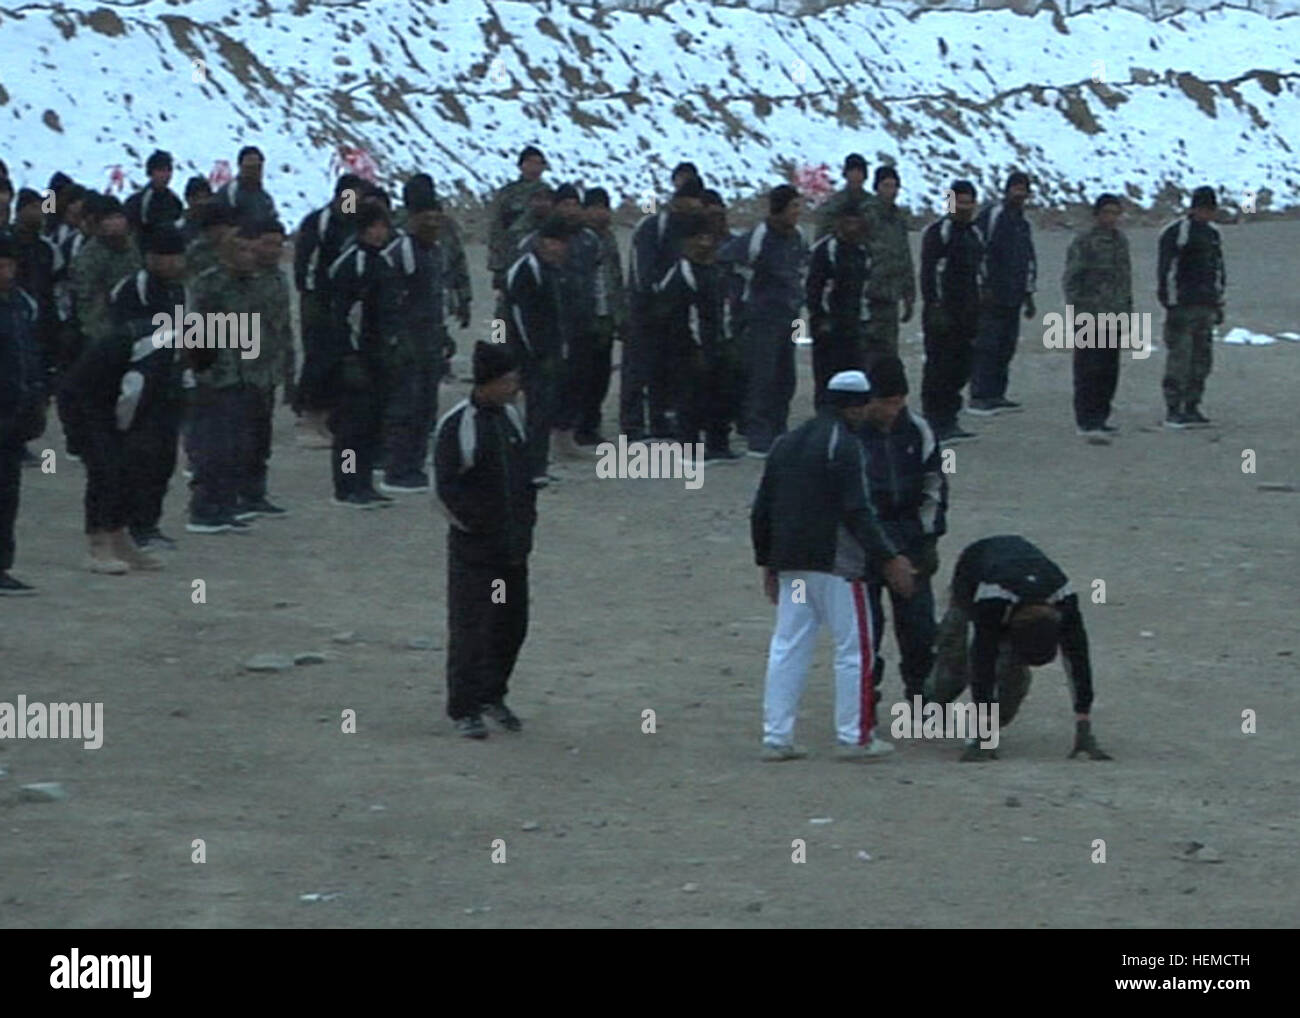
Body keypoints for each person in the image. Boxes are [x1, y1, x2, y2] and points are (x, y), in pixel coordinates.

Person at [750, 369, 917, 761]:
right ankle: (855, 736)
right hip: (839, 567)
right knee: (853, 649)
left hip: (791, 562)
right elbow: (858, 511)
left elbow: (762, 509)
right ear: (856, 406)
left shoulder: (786, 442)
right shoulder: (846, 446)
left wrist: (768, 562)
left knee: (787, 647)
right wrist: (889, 557)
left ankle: (777, 736)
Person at [925, 535, 1112, 762]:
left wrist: (1084, 724)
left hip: (1016, 584)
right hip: (973, 571)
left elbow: (1078, 659)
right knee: (955, 662)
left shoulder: (1064, 600)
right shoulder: (991, 599)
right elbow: (982, 661)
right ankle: (932, 705)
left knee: (1012, 679)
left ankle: (991, 726)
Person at [434, 342, 538, 740]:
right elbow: (444, 491)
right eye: (509, 379)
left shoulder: (512, 417)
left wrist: (525, 525)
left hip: (513, 552)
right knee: (471, 628)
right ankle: (464, 707)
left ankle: (493, 694)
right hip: (476, 555)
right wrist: (477, 529)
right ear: (489, 382)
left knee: (511, 625)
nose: (516, 386)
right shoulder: (457, 425)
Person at [857, 357, 946, 703]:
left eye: (900, 400)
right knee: (866, 629)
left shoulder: (919, 431)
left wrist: (925, 541)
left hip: (910, 542)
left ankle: (922, 695)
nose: (896, 409)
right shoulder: (849, 436)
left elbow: (934, 487)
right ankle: (864, 698)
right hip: (864, 546)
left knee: (920, 629)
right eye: (888, 402)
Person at [185, 221, 265, 532]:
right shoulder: (210, 284)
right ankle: (204, 507)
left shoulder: (253, 285)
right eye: (241, 250)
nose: (248, 256)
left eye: (250, 250)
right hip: (215, 376)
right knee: (212, 446)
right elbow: (194, 328)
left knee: (239, 445)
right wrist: (200, 367)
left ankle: (227, 504)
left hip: (246, 374)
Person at [719, 184, 808, 457]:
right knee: (762, 376)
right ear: (779, 209)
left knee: (786, 376)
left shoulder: (799, 237)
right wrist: (742, 299)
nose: (798, 212)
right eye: (793, 206)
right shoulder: (758, 237)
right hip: (762, 318)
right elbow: (726, 259)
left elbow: (804, 264)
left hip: (791, 318)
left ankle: (779, 429)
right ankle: (758, 435)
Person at [322, 203, 400, 508]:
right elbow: (342, 314)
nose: (381, 232)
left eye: (384, 226)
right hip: (354, 357)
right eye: (375, 226)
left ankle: (364, 482)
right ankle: (347, 485)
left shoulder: (380, 261)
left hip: (378, 355)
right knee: (351, 428)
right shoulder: (351, 263)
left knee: (371, 425)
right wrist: (349, 355)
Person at [378, 177, 444, 493]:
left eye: (435, 216)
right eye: (425, 216)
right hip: (406, 344)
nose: (432, 222)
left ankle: (414, 464)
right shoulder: (399, 251)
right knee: (404, 406)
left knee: (426, 406)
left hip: (429, 342)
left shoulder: (435, 251)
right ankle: (397, 468)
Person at [293, 174, 363, 446]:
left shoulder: (357, 224)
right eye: (349, 197)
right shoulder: (319, 223)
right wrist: (313, 295)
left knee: (339, 358)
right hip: (318, 300)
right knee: (317, 356)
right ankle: (309, 416)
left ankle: (330, 416)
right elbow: (305, 263)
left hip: (344, 302)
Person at [504, 216, 570, 486]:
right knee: (528, 411)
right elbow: (522, 317)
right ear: (542, 242)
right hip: (529, 355)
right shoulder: (526, 270)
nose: (559, 248)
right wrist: (537, 353)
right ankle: (525, 467)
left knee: (542, 412)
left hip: (547, 353)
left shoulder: (550, 270)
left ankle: (537, 465)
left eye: (562, 243)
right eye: (554, 242)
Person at [919, 180, 983, 443]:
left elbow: (981, 270)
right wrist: (934, 304)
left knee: (962, 367)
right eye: (960, 201)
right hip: (942, 312)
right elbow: (928, 272)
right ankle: (935, 419)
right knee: (938, 367)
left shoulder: (975, 234)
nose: (965, 207)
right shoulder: (939, 232)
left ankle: (951, 417)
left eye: (969, 202)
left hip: (968, 313)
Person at [1063, 193, 1131, 440]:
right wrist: (1078, 311)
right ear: (1097, 215)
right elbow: (1072, 279)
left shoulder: (1120, 241)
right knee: (1088, 369)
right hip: (1089, 315)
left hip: (1114, 314)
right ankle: (1086, 419)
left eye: (1115, 213)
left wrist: (1127, 313)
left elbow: (1125, 280)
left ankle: (1101, 417)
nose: (1111, 218)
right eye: (1107, 213)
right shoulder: (1085, 241)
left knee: (1108, 370)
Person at [0, 231, 46, 594]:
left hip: (13, 415)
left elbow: (31, 354)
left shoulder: (22, 304)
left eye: (8, 264)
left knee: (7, 494)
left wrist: (36, 399)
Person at [968, 171, 1036, 416]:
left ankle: (997, 393)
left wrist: (1029, 294)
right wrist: (983, 286)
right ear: (1007, 190)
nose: (1019, 194)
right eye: (1015, 188)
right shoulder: (993, 216)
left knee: (1007, 345)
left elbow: (1028, 260)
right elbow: (980, 250)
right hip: (992, 294)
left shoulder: (1023, 223)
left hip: (1014, 295)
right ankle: (979, 395)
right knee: (987, 344)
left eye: (1023, 190)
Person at [1158, 185, 1225, 429]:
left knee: (1202, 360)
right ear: (1194, 208)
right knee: (1180, 358)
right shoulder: (1178, 233)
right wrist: (1170, 302)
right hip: (1182, 307)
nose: (1207, 214)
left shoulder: (1213, 234)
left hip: (1206, 306)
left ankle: (1192, 405)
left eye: (1210, 209)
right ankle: (1173, 408)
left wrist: (1218, 302)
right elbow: (1166, 270)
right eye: (1203, 209)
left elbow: (1218, 270)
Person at [240, 217, 293, 519]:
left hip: (268, 368)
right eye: (267, 243)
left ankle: (254, 493)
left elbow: (283, 326)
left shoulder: (277, 279)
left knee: (261, 436)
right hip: (240, 369)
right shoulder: (241, 278)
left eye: (278, 244)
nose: (273, 250)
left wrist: (288, 367)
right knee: (238, 436)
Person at [577, 186, 627, 447]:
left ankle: (590, 423)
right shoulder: (579, 238)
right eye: (595, 208)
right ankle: (577, 425)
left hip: (607, 314)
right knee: (582, 374)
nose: (601, 213)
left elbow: (616, 278)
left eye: (604, 208)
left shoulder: (608, 237)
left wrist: (621, 314)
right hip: (584, 316)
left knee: (601, 374)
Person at [806, 199, 871, 399]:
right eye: (848, 221)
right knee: (827, 377)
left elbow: (865, 288)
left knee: (855, 375)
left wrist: (865, 320)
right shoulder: (826, 250)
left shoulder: (862, 251)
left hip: (854, 324)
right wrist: (821, 319)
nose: (852, 226)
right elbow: (814, 289)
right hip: (829, 326)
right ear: (838, 223)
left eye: (856, 221)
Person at [861, 166, 916, 363]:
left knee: (888, 351)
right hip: (869, 293)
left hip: (891, 294)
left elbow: (904, 255)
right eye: (886, 186)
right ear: (877, 187)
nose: (891, 191)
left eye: (894, 186)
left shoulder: (898, 218)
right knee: (867, 349)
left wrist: (909, 294)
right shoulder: (866, 214)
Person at [487, 145, 548, 293]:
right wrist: (497, 266)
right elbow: (496, 229)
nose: (535, 168)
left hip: (542, 258)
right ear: (521, 166)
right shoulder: (508, 193)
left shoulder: (549, 194)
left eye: (539, 164)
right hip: (511, 257)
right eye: (531, 163)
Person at [123, 150, 183, 246]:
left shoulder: (174, 200)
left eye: (169, 170)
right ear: (150, 172)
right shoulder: (137, 201)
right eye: (161, 170)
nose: (166, 175)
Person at [813, 153, 870, 240]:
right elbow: (822, 231)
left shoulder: (872, 203)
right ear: (846, 174)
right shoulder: (834, 202)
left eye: (859, 171)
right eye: (852, 171)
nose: (856, 175)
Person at [218, 146, 277, 226]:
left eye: (257, 167)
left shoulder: (266, 199)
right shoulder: (229, 193)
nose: (253, 171)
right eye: (249, 167)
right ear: (240, 167)